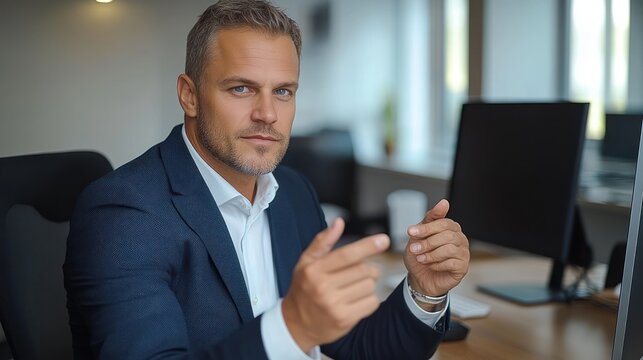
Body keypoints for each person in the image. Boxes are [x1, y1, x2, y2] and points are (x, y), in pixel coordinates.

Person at [63, 1, 470, 359]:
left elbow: (355, 344)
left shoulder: (292, 192)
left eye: (283, 91)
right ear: (189, 95)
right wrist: (292, 326)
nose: (268, 114)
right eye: (241, 88)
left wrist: (424, 292)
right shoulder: (123, 213)